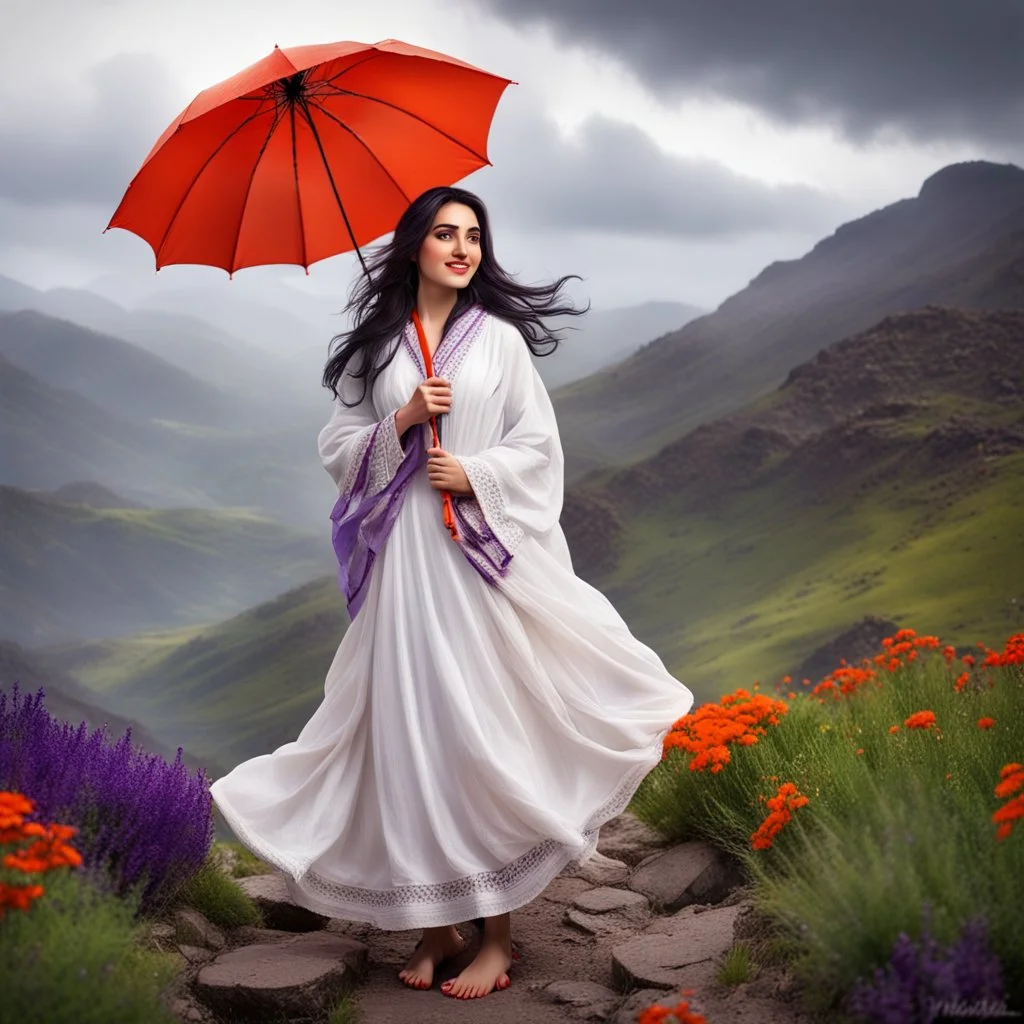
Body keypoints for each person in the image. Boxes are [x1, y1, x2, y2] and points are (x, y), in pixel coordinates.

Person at [209, 185, 694, 1001]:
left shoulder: (500, 342)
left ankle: (496, 938)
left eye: (473, 235)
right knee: (410, 725)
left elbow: (538, 447)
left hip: (473, 556)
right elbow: (337, 447)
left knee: (478, 727)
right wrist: (398, 421)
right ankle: (437, 927)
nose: (462, 248)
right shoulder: (378, 347)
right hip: (405, 558)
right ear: (414, 248)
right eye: (445, 234)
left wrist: (474, 471)